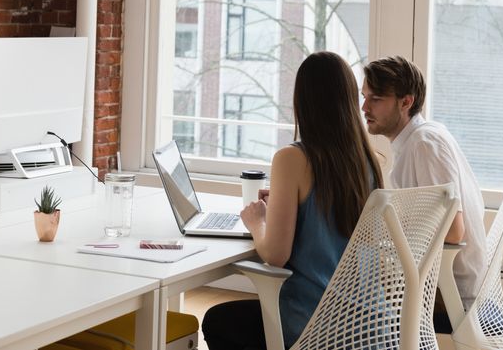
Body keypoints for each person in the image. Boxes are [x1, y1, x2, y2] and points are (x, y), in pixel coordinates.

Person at [202, 52, 383, 350]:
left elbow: (275, 254)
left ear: (303, 101)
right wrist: (291, 206)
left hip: (317, 325)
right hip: (369, 325)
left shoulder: (293, 157)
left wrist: (257, 221)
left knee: (217, 321)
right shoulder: (366, 160)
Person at [361, 55, 485, 330]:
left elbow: (454, 231)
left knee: (349, 302)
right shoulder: (419, 139)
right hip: (437, 282)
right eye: (364, 97)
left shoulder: (424, 145)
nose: (364, 107)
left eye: (376, 99)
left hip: (449, 295)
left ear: (406, 101)